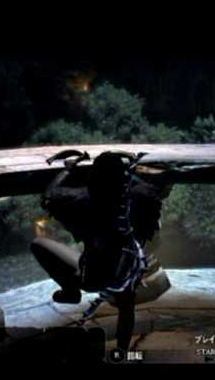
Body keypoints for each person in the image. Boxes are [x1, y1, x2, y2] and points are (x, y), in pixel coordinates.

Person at [30, 150, 167, 351]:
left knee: (38, 244)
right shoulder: (142, 198)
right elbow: (154, 190)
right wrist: (130, 171)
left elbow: (49, 197)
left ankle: (70, 291)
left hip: (93, 278)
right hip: (129, 272)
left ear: (93, 178)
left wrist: (68, 170)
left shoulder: (83, 201)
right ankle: (122, 351)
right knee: (126, 307)